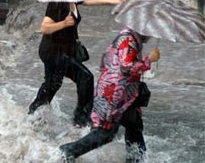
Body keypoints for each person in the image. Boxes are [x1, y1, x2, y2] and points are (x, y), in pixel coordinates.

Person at [59, 29, 160, 162]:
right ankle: (68, 151)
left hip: (124, 95)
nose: (151, 36)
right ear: (142, 30)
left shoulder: (133, 41)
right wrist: (149, 60)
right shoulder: (127, 40)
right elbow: (126, 67)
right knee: (106, 133)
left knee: (134, 124)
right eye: (150, 32)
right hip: (113, 94)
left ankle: (136, 159)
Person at [28, 0, 126, 127]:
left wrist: (112, 1)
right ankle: (81, 119)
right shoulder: (57, 4)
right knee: (85, 77)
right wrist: (63, 23)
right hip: (54, 52)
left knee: (52, 84)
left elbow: (89, 1)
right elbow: (44, 28)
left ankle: (33, 114)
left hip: (61, 51)